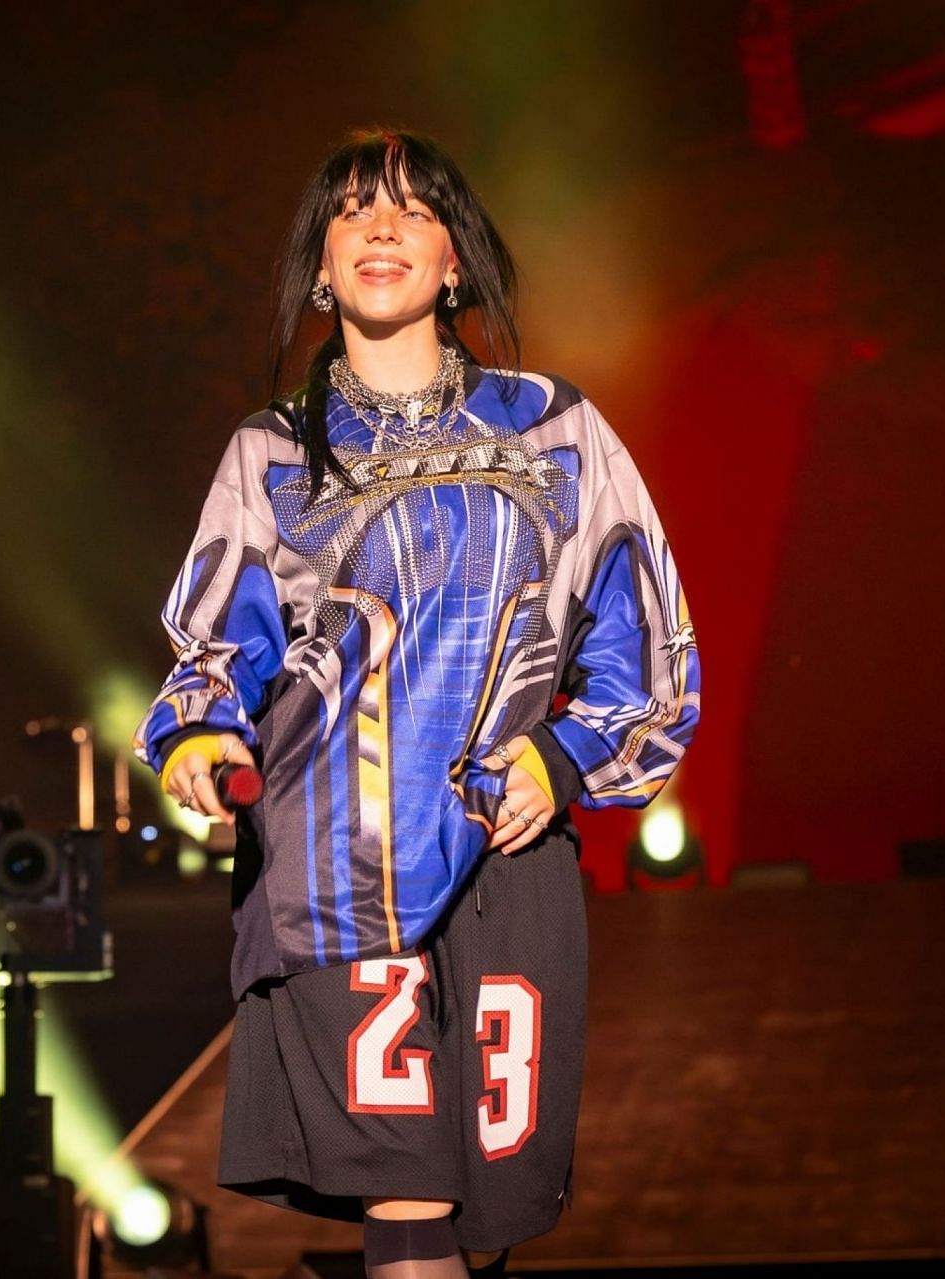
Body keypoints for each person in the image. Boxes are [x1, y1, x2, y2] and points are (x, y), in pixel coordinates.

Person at [135, 129, 701, 1279]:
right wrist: (197, 727)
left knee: (483, 1211)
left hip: (509, 852)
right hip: (339, 866)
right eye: (350, 212)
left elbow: (648, 641)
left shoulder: (553, 425)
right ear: (317, 271)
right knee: (406, 1200)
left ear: (455, 263)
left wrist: (562, 757)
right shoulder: (271, 453)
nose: (379, 226)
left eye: (411, 209)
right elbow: (217, 642)